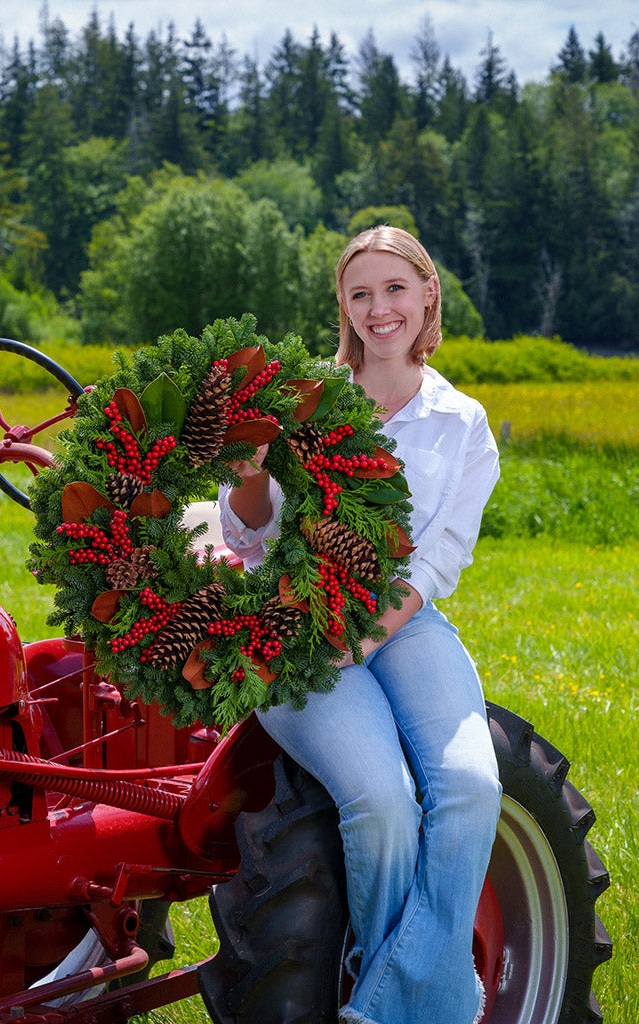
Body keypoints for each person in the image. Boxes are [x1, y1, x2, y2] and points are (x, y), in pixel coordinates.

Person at [219, 225, 503, 1024]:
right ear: (343, 308)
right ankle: (433, 1009)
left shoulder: (462, 423)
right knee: (380, 801)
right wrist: (246, 480)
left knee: (473, 785)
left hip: (401, 623)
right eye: (361, 293)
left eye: (395, 288)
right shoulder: (304, 400)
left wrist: (367, 636)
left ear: (427, 295)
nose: (380, 309)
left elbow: (438, 558)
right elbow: (249, 534)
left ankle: (385, 1004)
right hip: (294, 624)